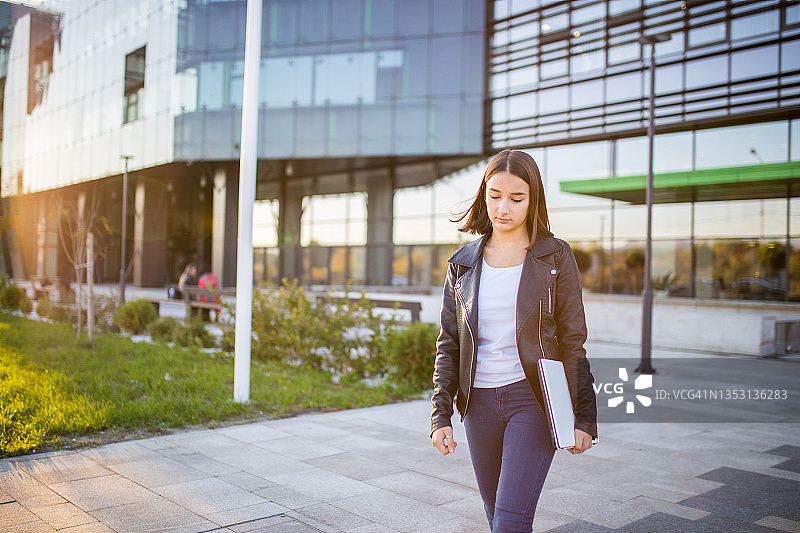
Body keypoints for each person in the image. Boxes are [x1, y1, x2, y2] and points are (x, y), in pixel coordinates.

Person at [430, 149, 598, 533]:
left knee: (509, 521)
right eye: (495, 196)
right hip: (478, 404)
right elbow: (449, 342)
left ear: (532, 200)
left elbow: (573, 340)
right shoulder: (463, 263)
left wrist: (585, 416)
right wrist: (440, 415)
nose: (503, 208)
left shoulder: (555, 256)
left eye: (516, 198)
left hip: (533, 398)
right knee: (499, 518)